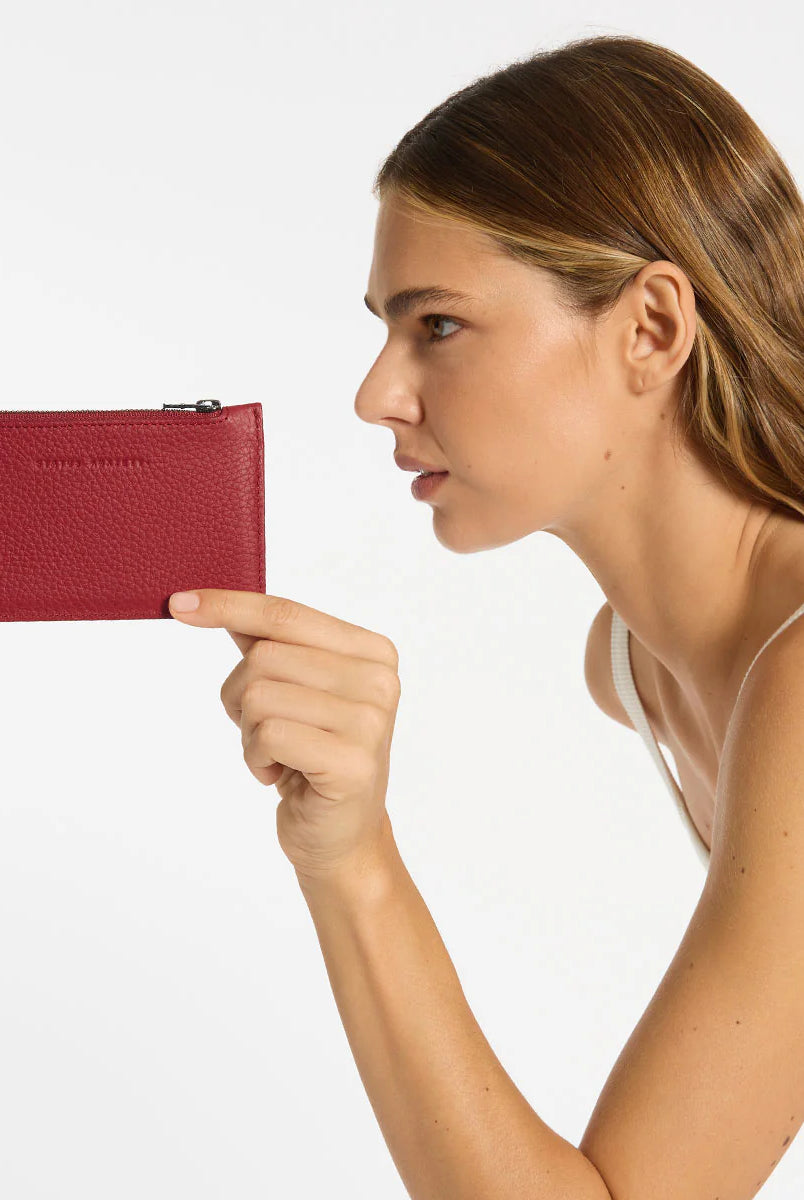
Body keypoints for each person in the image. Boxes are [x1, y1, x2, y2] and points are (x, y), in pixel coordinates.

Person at [176, 33, 804, 1200]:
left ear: (652, 330)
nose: (375, 394)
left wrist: (356, 862)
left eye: (438, 326)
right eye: (384, 326)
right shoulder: (630, 666)